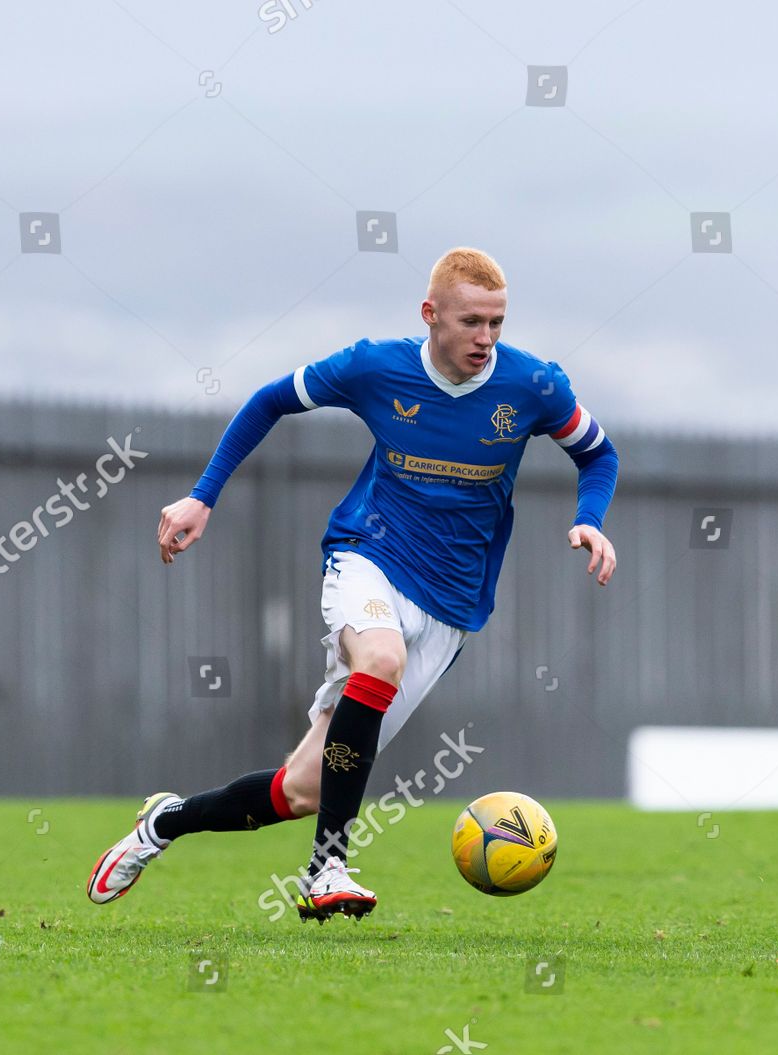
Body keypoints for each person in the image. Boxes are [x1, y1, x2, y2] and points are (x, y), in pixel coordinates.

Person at [86, 247, 619, 921]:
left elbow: (598, 453)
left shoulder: (534, 386)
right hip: (367, 553)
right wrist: (202, 496)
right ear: (430, 315)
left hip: (452, 604)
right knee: (380, 659)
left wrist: (590, 520)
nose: (485, 338)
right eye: (470, 321)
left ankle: (163, 824)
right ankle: (327, 865)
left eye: (497, 322)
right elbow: (270, 400)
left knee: (302, 788)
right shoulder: (375, 366)